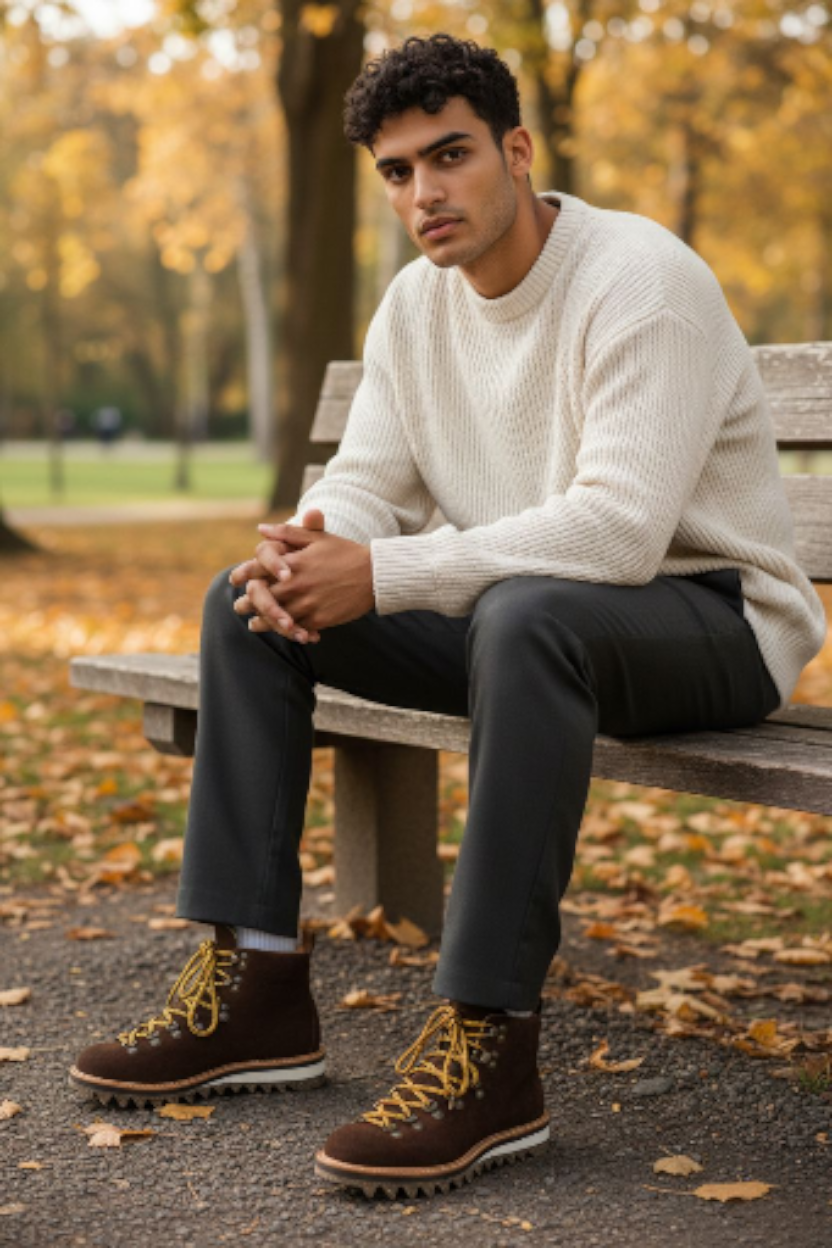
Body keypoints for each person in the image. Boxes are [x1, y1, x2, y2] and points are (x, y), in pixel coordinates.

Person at [69, 34, 826, 1198]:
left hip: (711, 623)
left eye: (451, 155)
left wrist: (389, 573)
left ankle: (488, 1042)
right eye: (397, 171)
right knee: (250, 609)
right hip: (525, 623)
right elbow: (370, 482)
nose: (425, 192)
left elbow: (619, 535)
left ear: (516, 153)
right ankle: (257, 987)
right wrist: (312, 546)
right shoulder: (415, 308)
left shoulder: (640, 280)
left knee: (528, 618)